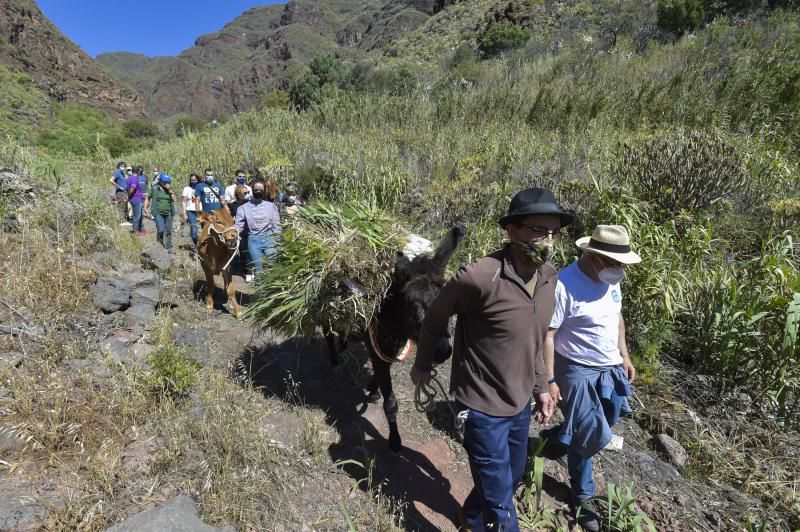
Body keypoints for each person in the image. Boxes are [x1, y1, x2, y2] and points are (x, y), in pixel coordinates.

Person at [410, 187, 573, 532]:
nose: (547, 240)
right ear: (511, 232)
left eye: (553, 232)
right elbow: (436, 318)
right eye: (537, 230)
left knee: (511, 476)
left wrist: (543, 386)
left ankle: (469, 518)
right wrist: (423, 365)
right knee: (501, 501)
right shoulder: (480, 277)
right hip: (480, 406)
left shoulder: (548, 278)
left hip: (519, 403)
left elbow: (535, 338)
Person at [541, 224, 641, 532]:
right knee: (591, 436)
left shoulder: (610, 279)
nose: (620, 270)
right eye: (615, 263)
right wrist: (550, 379)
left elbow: (617, 316)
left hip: (608, 364)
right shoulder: (565, 285)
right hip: (575, 367)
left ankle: (559, 438)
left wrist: (624, 355)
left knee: (610, 416)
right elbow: (548, 334)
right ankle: (582, 496)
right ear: (594, 257)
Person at [234, 180, 281, 278]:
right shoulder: (243, 208)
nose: (258, 191)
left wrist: (278, 240)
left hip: (269, 239)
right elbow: (238, 226)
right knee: (259, 269)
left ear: (265, 191)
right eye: (256, 189)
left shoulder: (271, 207)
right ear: (252, 190)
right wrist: (231, 232)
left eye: (261, 189)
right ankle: (263, 291)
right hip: (254, 240)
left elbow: (276, 225)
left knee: (271, 264)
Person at [146, 174, 177, 251]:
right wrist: (145, 207)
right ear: (160, 182)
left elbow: (175, 199)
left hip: (168, 212)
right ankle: (159, 245)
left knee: (169, 230)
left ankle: (169, 247)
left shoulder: (169, 190)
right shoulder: (155, 188)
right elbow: (148, 197)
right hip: (158, 212)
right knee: (161, 230)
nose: (166, 184)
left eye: (168, 182)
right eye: (164, 182)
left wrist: (170, 190)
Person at [182, 173, 200, 248]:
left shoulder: (201, 187)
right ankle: (197, 245)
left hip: (201, 211)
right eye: (192, 180)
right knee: (193, 230)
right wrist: (184, 213)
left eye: (195, 180)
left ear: (198, 180)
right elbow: (184, 202)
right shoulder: (187, 189)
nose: (193, 181)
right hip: (191, 211)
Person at [126, 167, 145, 235]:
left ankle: (141, 229)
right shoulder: (134, 179)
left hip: (134, 199)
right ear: (138, 172)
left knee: (138, 215)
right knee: (137, 216)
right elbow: (132, 190)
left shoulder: (129, 178)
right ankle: (136, 231)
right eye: (140, 171)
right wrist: (128, 197)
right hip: (136, 199)